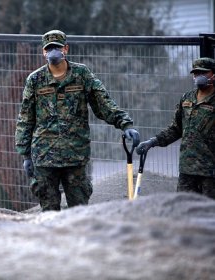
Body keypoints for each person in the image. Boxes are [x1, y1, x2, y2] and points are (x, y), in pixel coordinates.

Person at [15, 30, 140, 211]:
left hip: (75, 154)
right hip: (44, 156)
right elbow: (26, 118)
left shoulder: (81, 74)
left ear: (66, 48)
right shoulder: (35, 80)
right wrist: (25, 154)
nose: (53, 52)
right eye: (49, 49)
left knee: (79, 210)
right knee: (49, 212)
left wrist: (125, 124)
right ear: (43, 52)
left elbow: (103, 102)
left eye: (57, 48)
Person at [137, 57, 215, 199]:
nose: (198, 77)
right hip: (187, 170)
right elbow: (175, 129)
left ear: (213, 74)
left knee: (209, 215)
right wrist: (152, 142)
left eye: (203, 73)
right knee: (183, 211)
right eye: (196, 73)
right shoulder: (187, 98)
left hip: (210, 173)